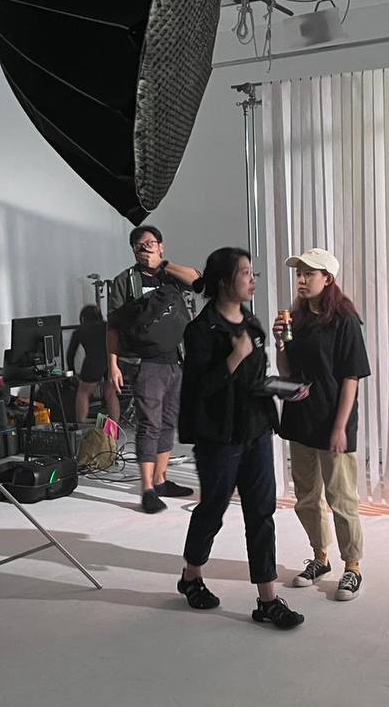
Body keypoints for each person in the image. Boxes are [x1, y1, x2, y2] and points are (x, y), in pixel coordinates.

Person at [176, 247, 305, 630]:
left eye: (252, 272)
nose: (252, 279)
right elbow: (200, 390)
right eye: (245, 272)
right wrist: (233, 358)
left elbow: (254, 380)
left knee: (261, 513)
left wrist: (283, 388)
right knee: (212, 509)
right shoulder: (200, 330)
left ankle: (267, 599)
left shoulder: (251, 322)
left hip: (256, 430)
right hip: (219, 437)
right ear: (223, 282)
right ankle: (191, 575)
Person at [274, 248, 372, 602]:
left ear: (327, 279)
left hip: (332, 420)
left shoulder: (344, 320)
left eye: (308, 274)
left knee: (341, 498)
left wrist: (340, 427)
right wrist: (279, 343)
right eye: (299, 273)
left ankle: (353, 566)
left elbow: (351, 377)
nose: (301, 280)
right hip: (300, 418)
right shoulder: (297, 319)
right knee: (307, 497)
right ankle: (320, 557)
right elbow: (287, 372)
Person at [106, 225, 202, 513]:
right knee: (149, 423)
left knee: (168, 422)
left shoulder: (170, 275)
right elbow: (113, 327)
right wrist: (112, 365)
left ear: (161, 246)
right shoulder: (124, 281)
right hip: (145, 362)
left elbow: (197, 280)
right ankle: (147, 488)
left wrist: (163, 265)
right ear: (133, 251)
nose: (145, 248)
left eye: (150, 243)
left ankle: (161, 479)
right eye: (139, 245)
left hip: (176, 360)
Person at [66, 304, 118, 424]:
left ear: (83, 318)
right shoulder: (107, 326)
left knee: (83, 392)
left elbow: (70, 354)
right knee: (111, 394)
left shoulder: (80, 330)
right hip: (111, 360)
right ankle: (114, 427)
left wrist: (72, 372)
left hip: (93, 362)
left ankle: (81, 424)